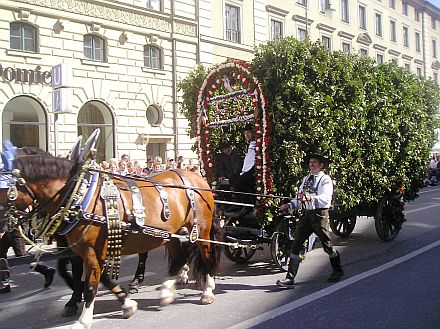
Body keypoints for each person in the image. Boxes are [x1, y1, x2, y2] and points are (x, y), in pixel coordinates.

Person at [276, 154, 344, 289]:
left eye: (315, 162)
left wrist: (310, 198)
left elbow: (325, 199)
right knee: (296, 245)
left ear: (321, 165)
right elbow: (299, 198)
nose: (311, 164)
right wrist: (289, 205)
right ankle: (290, 278)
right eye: (310, 162)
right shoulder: (306, 179)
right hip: (306, 216)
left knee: (327, 245)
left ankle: (338, 270)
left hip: (319, 216)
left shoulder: (325, 179)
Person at [229, 123, 256, 215]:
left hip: (253, 170)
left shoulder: (257, 144)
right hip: (246, 169)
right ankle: (237, 202)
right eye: (245, 133)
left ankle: (246, 206)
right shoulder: (249, 144)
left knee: (239, 183)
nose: (247, 135)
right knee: (232, 179)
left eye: (248, 133)